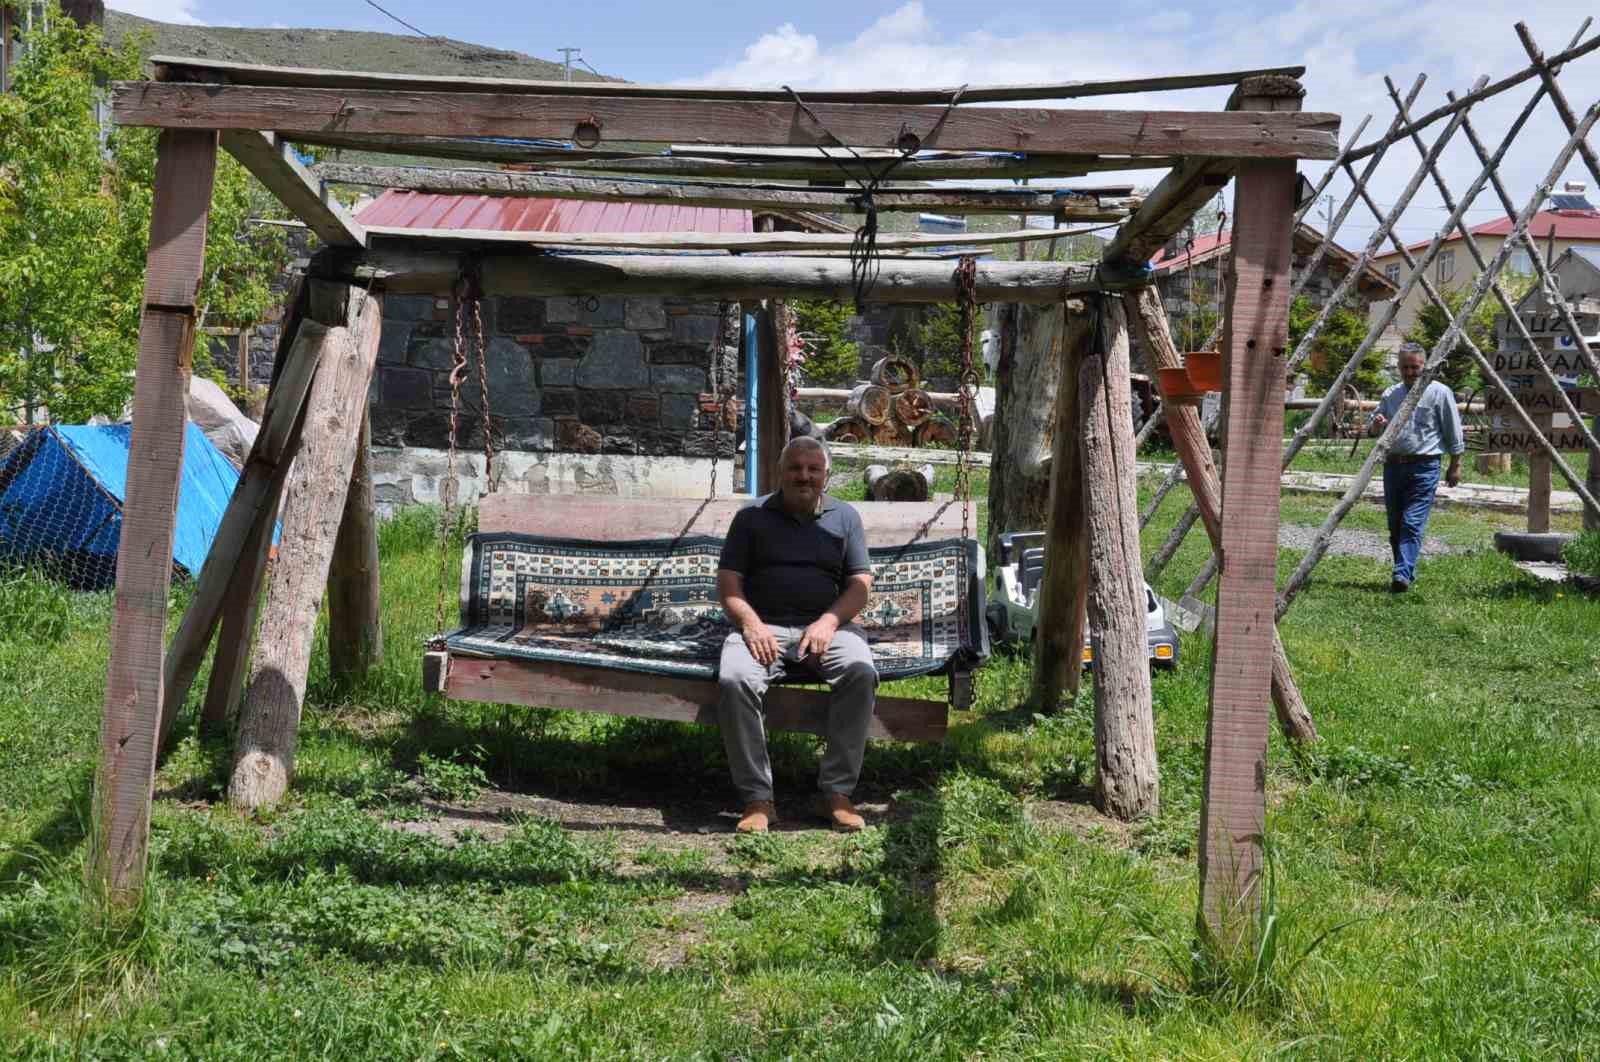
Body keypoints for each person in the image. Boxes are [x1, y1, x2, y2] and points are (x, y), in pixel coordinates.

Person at [716, 436, 876, 834]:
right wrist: (751, 624)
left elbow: (860, 583)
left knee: (859, 670)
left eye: (813, 469)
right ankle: (758, 800)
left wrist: (829, 622)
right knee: (734, 678)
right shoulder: (751, 517)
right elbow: (729, 583)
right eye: (795, 468)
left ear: (826, 475)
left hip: (824, 627)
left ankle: (836, 794)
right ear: (780, 472)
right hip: (762, 626)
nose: (803, 476)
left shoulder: (845, 517)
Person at [1369, 346, 1464, 592]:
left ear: (1425, 367)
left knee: (1412, 522)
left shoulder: (1440, 393)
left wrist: (1455, 465)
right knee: (1396, 524)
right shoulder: (1391, 394)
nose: (1410, 372)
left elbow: (1453, 431)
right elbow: (1372, 427)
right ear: (1399, 368)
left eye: (1415, 367)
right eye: (1405, 368)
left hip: (1425, 466)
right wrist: (1378, 424)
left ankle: (1400, 574)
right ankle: (1406, 569)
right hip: (1394, 466)